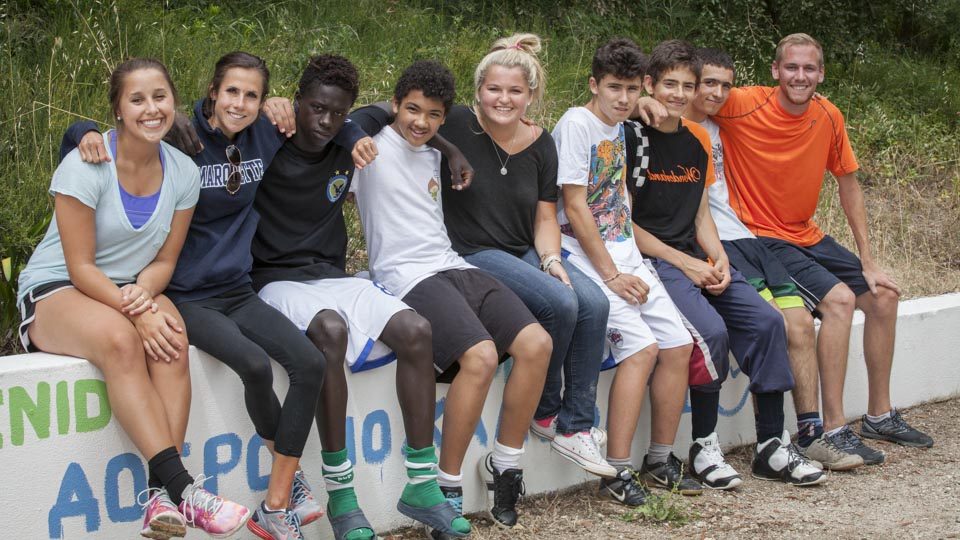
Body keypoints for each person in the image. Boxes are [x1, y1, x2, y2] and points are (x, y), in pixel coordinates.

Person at [61, 51, 374, 539]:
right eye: (232, 91)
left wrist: (350, 134)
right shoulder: (180, 137)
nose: (241, 103)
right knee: (251, 364)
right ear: (212, 91)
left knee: (310, 364)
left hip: (238, 287)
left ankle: (277, 499)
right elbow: (118, 126)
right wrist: (79, 128)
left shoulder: (268, 133)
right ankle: (278, 493)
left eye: (252, 94)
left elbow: (348, 119)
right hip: (185, 293)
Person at [21, 57, 250, 539]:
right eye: (137, 99)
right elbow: (81, 266)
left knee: (171, 338)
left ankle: (159, 501)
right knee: (124, 342)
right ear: (118, 110)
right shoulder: (86, 164)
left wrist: (144, 301)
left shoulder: (184, 172)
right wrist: (135, 313)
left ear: (174, 102)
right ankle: (185, 489)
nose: (151, 109)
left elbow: (164, 262)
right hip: (59, 285)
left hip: (133, 284)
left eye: (160, 97)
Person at [250, 54, 468, 540]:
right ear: (299, 100)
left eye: (336, 113)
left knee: (416, 330)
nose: (324, 121)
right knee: (330, 328)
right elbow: (211, 124)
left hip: (332, 274)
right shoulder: (270, 139)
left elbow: (390, 114)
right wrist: (271, 105)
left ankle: (421, 485)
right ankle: (342, 495)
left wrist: (451, 150)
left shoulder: (352, 133)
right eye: (315, 108)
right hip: (274, 279)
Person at [350, 60, 552, 533]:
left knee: (537, 344)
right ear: (396, 103)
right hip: (405, 275)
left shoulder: (436, 151)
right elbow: (353, 118)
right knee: (481, 355)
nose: (421, 122)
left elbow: (427, 133)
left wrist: (445, 145)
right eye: (411, 109)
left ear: (445, 118)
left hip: (453, 264)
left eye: (434, 115)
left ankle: (506, 464)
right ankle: (444, 486)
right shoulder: (368, 148)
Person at [712, 33, 934, 465]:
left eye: (809, 69)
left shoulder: (828, 114)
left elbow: (847, 182)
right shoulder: (741, 103)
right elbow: (691, 95)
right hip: (761, 235)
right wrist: (648, 103)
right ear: (775, 70)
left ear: (821, 74)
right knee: (840, 301)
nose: (800, 76)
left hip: (807, 233)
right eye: (791, 67)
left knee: (885, 296)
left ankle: (879, 415)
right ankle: (832, 429)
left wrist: (867, 258)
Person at [626, 40, 824, 487]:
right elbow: (623, 224)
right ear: (650, 84)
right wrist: (687, 264)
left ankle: (772, 445)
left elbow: (701, 215)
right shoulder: (632, 133)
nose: (678, 94)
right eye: (668, 84)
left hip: (697, 257)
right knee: (711, 333)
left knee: (768, 322)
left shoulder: (697, 140)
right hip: (652, 260)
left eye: (687, 85)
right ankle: (703, 446)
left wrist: (716, 259)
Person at [436, 33, 615, 487]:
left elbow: (544, 214)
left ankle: (574, 426)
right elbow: (397, 111)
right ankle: (545, 411)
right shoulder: (455, 123)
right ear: (478, 90)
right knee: (562, 303)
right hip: (472, 250)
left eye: (516, 90)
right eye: (494, 88)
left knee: (594, 301)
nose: (504, 98)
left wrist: (551, 256)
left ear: (531, 95)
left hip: (524, 246)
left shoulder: (540, 142)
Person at [683, 46, 862, 472]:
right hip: (715, 242)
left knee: (799, 322)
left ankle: (811, 433)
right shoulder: (660, 122)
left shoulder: (719, 122)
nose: (719, 92)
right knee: (773, 322)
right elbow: (635, 97)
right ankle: (770, 441)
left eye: (725, 85)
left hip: (746, 237)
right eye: (707, 83)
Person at [553, 38, 699, 504]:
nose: (623, 98)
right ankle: (616, 472)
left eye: (632, 89)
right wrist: (611, 273)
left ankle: (658, 457)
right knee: (641, 348)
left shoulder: (620, 125)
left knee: (677, 345)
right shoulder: (576, 124)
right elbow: (575, 207)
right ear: (593, 84)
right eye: (613, 87)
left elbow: (616, 197)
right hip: (585, 253)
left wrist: (647, 102)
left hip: (623, 248)